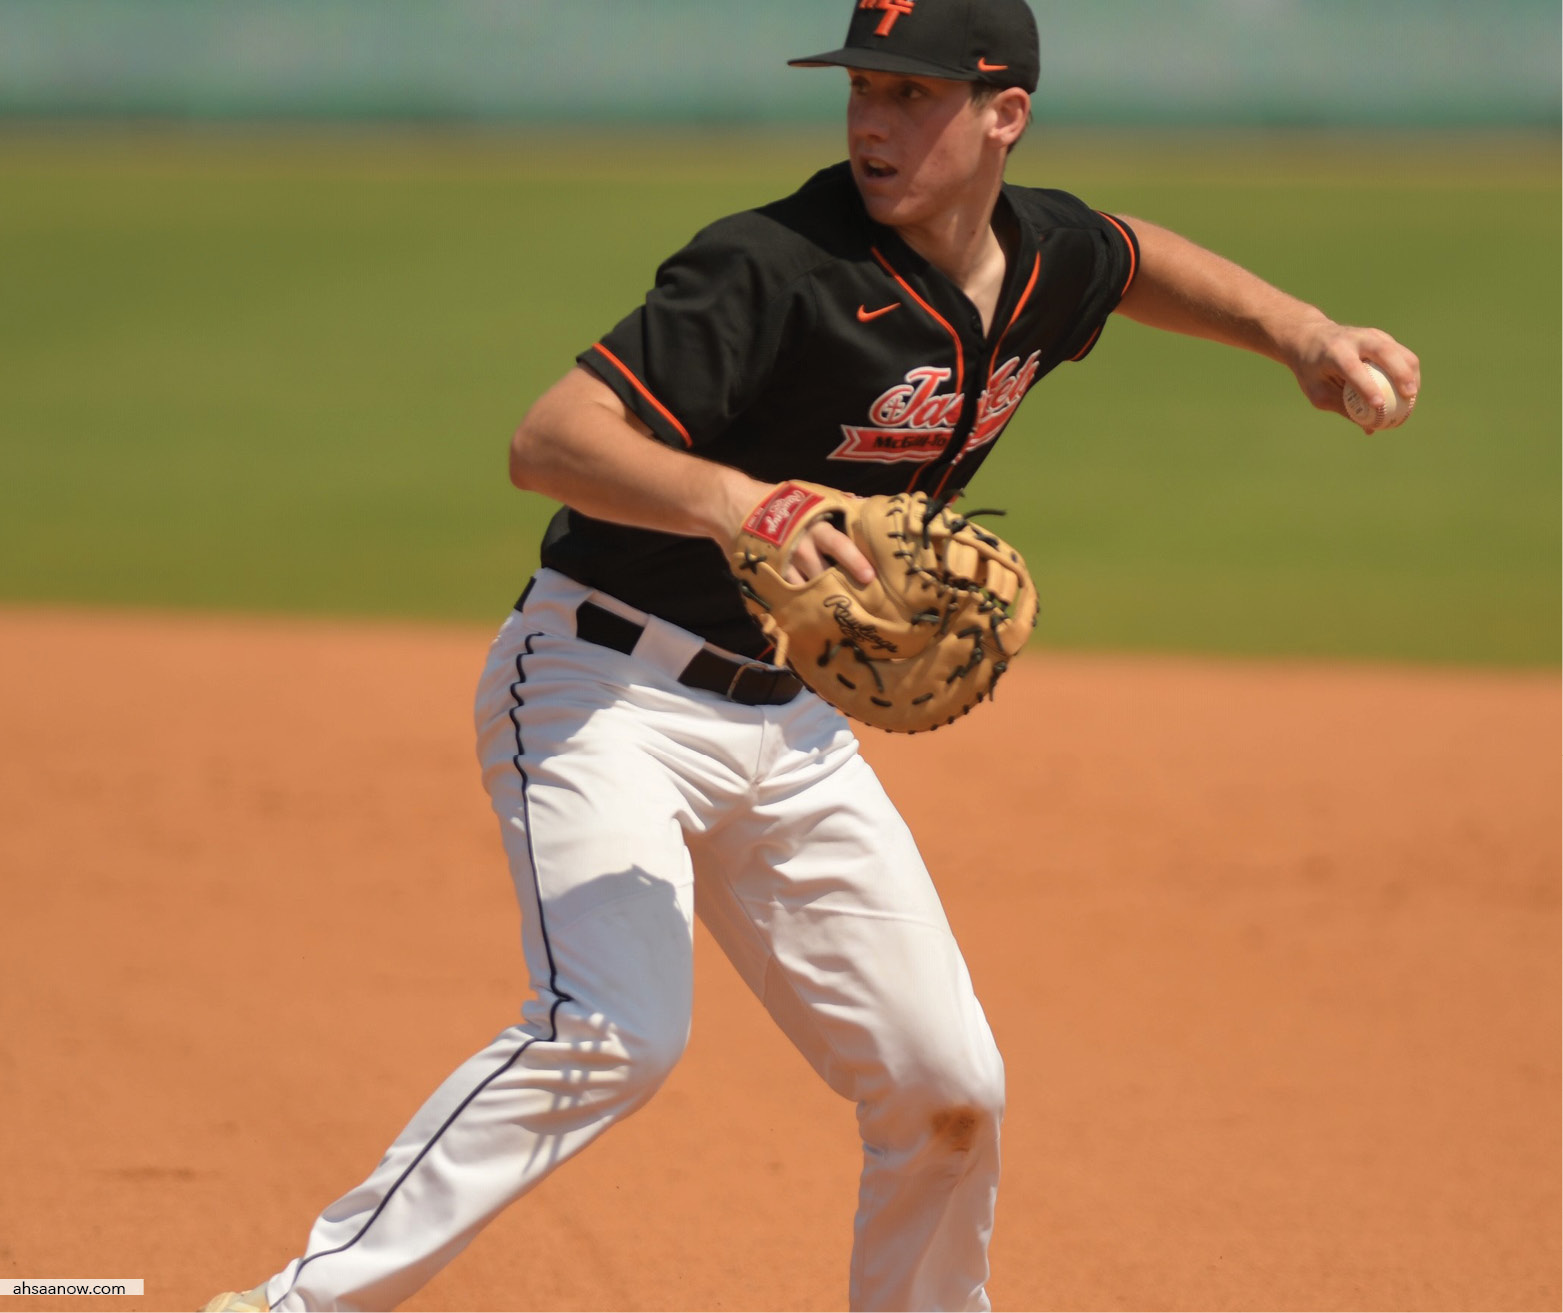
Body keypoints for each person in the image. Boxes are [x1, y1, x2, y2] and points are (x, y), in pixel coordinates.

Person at [205, 1, 1419, 1309]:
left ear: (1004, 113)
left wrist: (1302, 332)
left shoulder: (1037, 255)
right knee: (614, 1029)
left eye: (914, 95)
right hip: (599, 687)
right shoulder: (769, 265)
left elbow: (1128, 259)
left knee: (949, 1086)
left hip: (789, 726)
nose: (872, 121)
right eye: (864, 89)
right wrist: (747, 501)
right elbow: (549, 440)